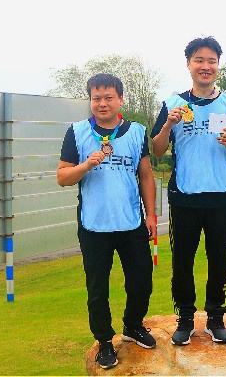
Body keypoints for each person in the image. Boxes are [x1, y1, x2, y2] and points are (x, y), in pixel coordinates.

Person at [151, 36, 226, 346]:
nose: (205, 66)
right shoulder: (173, 103)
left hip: (221, 195)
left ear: (218, 65)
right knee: (182, 261)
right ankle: (184, 318)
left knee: (219, 259)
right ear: (188, 64)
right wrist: (167, 125)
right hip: (185, 196)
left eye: (211, 61)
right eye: (199, 60)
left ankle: (216, 318)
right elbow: (157, 150)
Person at [57, 73, 157, 370]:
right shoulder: (77, 132)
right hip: (94, 225)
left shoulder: (136, 132)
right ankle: (104, 341)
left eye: (108, 97)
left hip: (131, 222)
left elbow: (146, 175)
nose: (102, 103)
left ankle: (133, 325)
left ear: (120, 99)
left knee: (142, 280)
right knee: (97, 288)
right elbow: (62, 177)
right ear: (90, 101)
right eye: (96, 98)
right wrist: (86, 165)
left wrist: (151, 215)